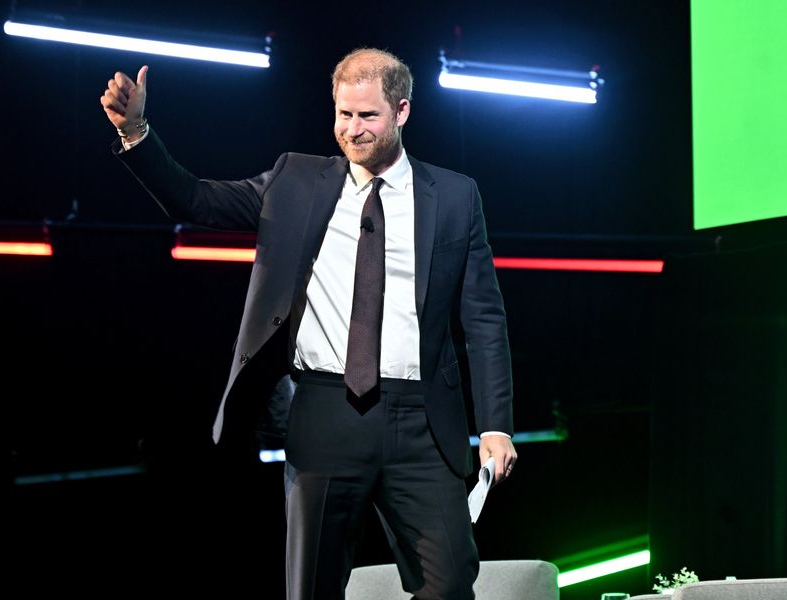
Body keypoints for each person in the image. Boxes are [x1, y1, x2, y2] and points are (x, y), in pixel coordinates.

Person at [100, 48, 517, 600]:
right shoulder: (296, 180)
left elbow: (483, 317)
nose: (353, 129)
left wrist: (495, 424)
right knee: (312, 586)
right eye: (344, 114)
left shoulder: (457, 197)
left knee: (450, 584)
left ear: (402, 111)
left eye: (368, 115)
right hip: (325, 411)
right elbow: (197, 199)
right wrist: (137, 132)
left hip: (422, 422)